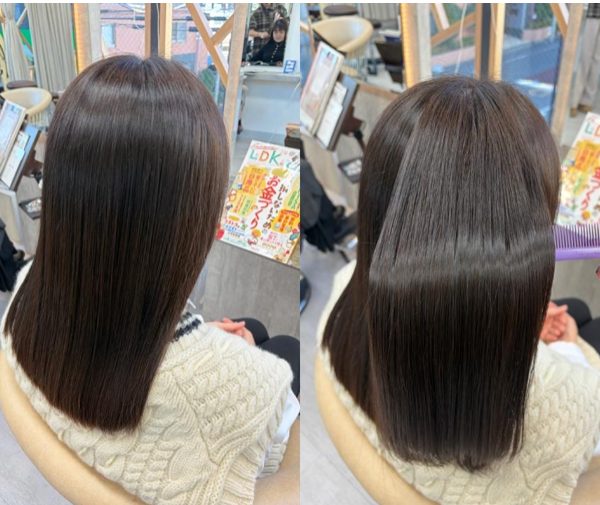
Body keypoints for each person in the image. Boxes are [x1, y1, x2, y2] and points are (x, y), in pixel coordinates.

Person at [0, 55, 299, 505]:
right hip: (176, 394)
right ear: (190, 218)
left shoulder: (26, 291)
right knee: (285, 346)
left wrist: (199, 344)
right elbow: (273, 470)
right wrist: (225, 363)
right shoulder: (256, 387)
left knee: (253, 329)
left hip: (125, 369)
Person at [318, 76, 600, 505]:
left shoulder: (343, 293)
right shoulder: (574, 404)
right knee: (582, 320)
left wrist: (519, 322)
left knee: (573, 306)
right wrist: (572, 346)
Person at [571, 4, 600, 116]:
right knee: (586, 58)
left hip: (594, 13)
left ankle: (586, 101)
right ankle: (576, 101)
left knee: (596, 60)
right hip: (593, 13)